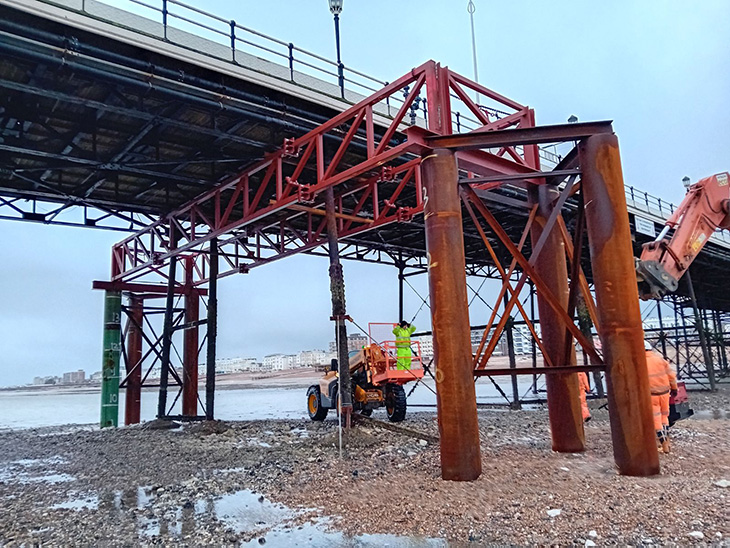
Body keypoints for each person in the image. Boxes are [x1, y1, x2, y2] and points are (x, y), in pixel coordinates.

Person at [644, 340, 678, 454]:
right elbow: (671, 376)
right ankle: (667, 442)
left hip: (651, 394)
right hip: (664, 393)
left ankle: (663, 444)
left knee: (656, 418)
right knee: (664, 416)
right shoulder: (660, 360)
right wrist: (674, 388)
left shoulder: (639, 362)